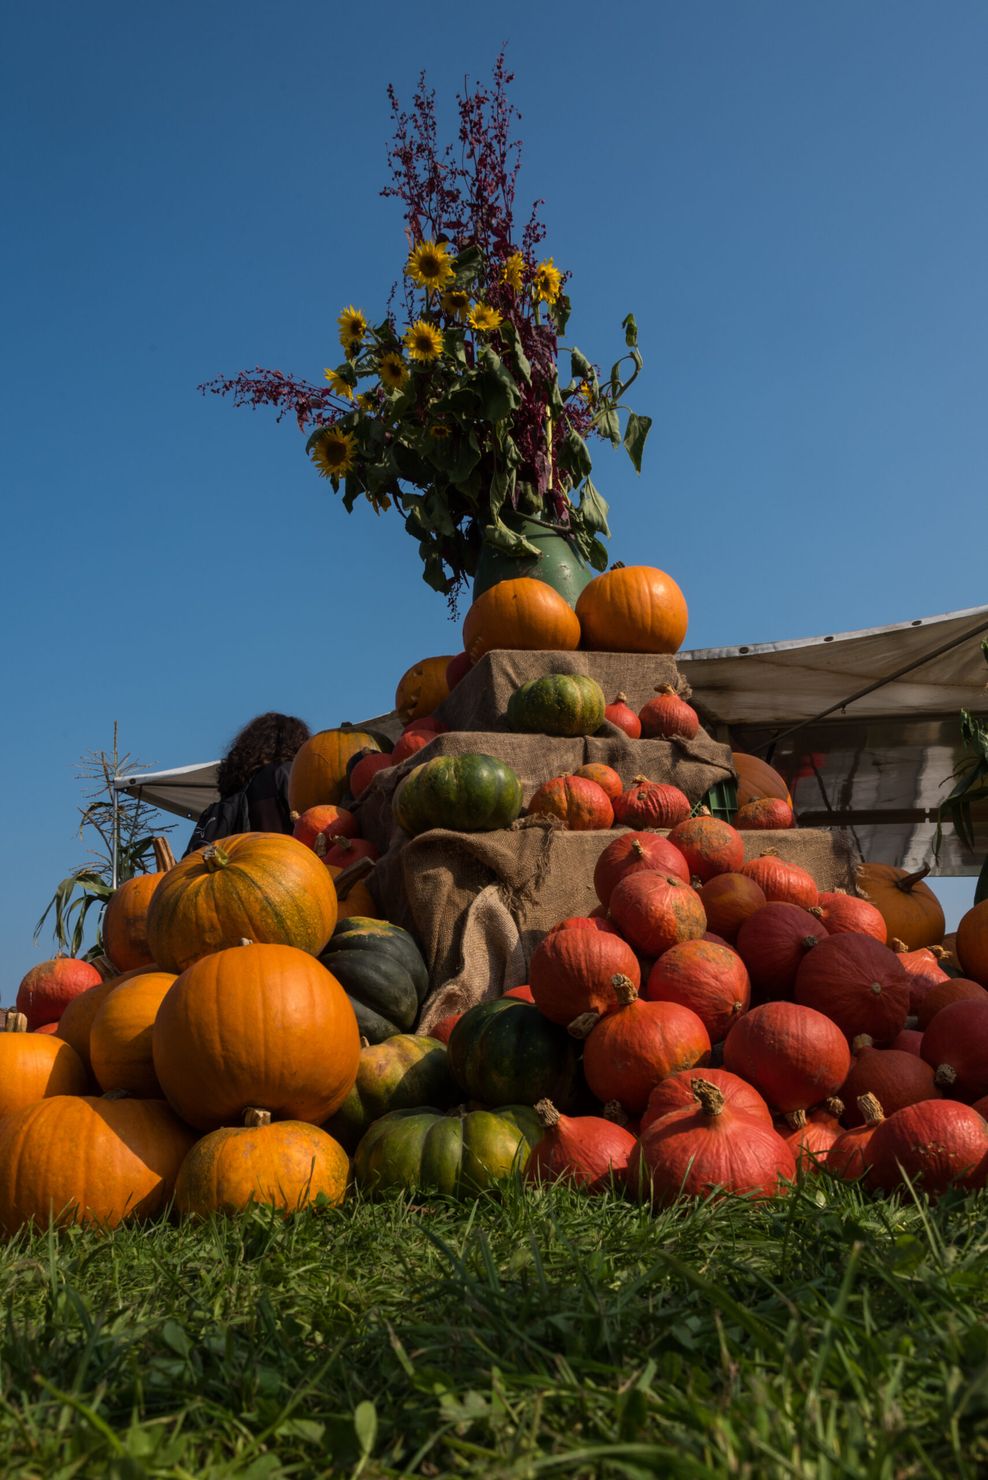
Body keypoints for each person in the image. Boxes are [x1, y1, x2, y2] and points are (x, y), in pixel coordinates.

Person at [183, 712, 311, 856]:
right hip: (286, 865)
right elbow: (311, 823)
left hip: (240, 870)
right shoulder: (287, 773)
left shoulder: (236, 789)